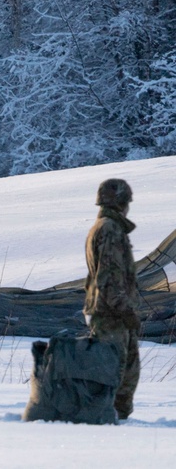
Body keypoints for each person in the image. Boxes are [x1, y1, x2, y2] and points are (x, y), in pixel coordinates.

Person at [83, 178, 141, 420]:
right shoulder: (110, 229)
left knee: (125, 374)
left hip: (109, 312)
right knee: (114, 377)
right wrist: (126, 310)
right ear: (121, 202)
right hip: (110, 315)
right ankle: (110, 428)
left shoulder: (104, 226)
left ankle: (116, 422)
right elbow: (108, 278)